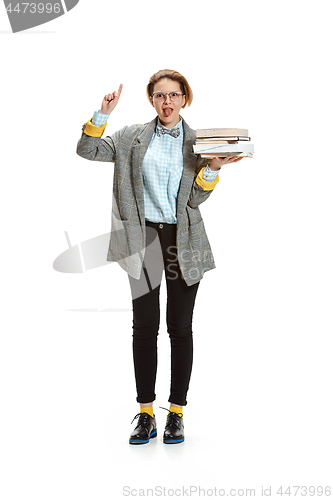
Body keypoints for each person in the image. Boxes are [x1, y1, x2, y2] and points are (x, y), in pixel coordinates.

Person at [77, 69, 242, 445]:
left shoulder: (200, 142)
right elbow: (86, 150)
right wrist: (102, 114)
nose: (167, 102)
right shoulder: (131, 136)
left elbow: (196, 199)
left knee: (180, 328)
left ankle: (177, 414)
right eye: (159, 95)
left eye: (174, 95)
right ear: (151, 100)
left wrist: (213, 169)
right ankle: (146, 413)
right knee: (145, 327)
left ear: (185, 98)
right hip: (143, 239)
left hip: (184, 241)